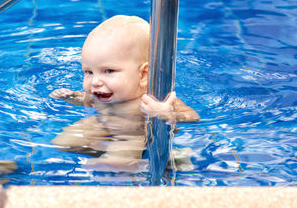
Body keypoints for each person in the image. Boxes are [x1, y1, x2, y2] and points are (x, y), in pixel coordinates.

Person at [50, 15, 199, 170]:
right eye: (89, 72)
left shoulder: (152, 98)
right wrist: (72, 97)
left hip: (133, 136)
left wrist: (166, 113)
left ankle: (166, 155)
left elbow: (193, 117)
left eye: (109, 71)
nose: (95, 81)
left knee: (117, 162)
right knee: (63, 143)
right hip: (102, 123)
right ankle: (131, 157)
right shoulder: (100, 92)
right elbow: (87, 101)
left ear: (143, 75)